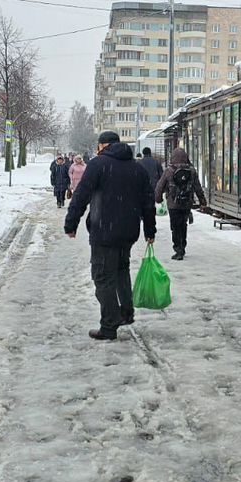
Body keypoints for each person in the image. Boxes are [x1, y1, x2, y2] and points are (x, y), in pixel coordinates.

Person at [65, 131, 157, 341]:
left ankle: (109, 325)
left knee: (103, 277)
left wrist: (71, 223)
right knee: (121, 271)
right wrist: (149, 231)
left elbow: (81, 195)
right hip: (128, 231)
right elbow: (148, 203)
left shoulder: (99, 164)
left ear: (103, 146)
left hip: (104, 231)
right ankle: (126, 312)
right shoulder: (137, 168)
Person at [154, 147, 207, 261]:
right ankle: (182, 245)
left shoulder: (169, 170)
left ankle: (178, 249)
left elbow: (160, 186)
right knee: (183, 225)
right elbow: (197, 187)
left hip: (173, 204)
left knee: (175, 226)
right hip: (186, 203)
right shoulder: (191, 170)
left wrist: (158, 199)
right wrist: (202, 201)